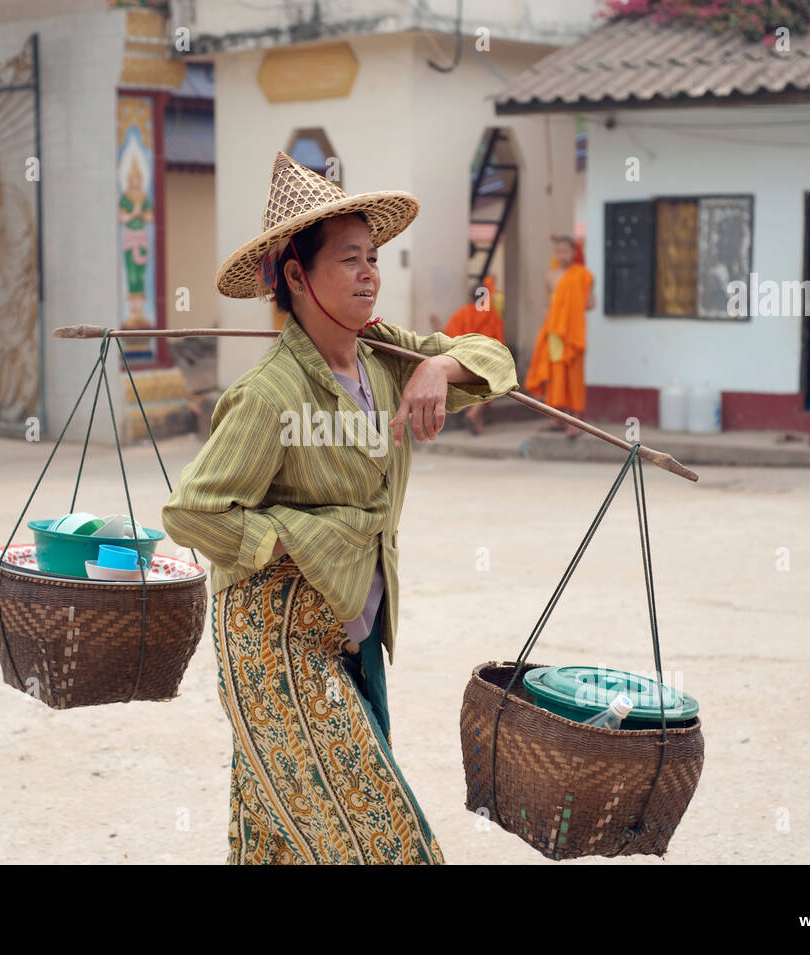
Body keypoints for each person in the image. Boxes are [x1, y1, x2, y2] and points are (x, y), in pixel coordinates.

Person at [161, 150, 517, 864]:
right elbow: (192, 512)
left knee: (277, 849)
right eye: (349, 258)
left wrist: (439, 365)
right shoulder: (268, 395)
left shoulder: (385, 356)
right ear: (297, 276)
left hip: (351, 635)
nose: (368, 273)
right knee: (381, 841)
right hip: (274, 643)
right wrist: (295, 535)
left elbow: (497, 362)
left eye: (373, 257)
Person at [526, 235, 594, 438]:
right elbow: (549, 304)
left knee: (573, 375)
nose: (562, 255)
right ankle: (558, 419)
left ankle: (577, 420)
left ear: (574, 253)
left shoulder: (583, 275)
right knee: (555, 375)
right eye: (559, 251)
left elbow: (590, 303)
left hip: (572, 332)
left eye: (566, 251)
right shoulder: (551, 275)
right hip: (554, 331)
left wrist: (570, 309)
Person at [427, 274, 506, 435]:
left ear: (470, 296)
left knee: (476, 386)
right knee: (493, 384)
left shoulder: (462, 313)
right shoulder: (492, 315)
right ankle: (473, 414)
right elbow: (498, 342)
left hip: (465, 361)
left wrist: (437, 326)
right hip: (486, 361)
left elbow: (449, 335)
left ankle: (476, 420)